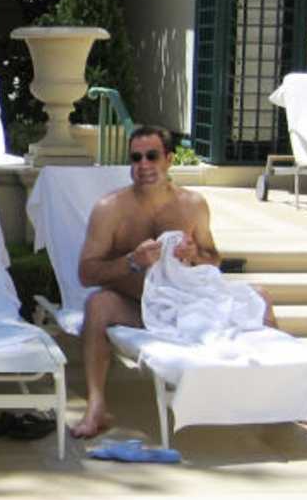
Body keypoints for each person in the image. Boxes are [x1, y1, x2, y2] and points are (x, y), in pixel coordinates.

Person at [70, 126, 275, 439]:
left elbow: (213, 259)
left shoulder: (192, 204)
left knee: (259, 296)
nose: (143, 165)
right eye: (136, 158)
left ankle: (281, 393)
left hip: (187, 303)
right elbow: (86, 273)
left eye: (152, 156)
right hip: (136, 305)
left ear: (169, 159)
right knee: (97, 304)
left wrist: (195, 255)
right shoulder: (110, 209)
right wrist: (131, 261)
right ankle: (96, 406)